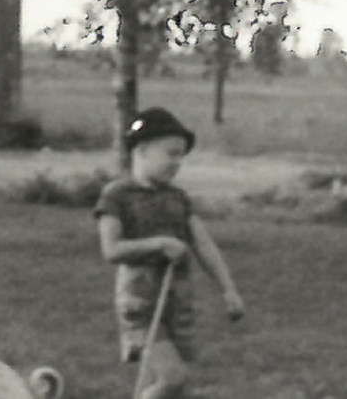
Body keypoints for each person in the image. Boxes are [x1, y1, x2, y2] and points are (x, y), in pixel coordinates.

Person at [94, 107, 244, 399]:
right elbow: (111, 250)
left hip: (178, 304)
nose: (177, 162)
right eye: (171, 153)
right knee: (173, 377)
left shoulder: (177, 198)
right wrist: (158, 244)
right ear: (143, 150)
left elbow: (204, 245)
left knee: (171, 389)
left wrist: (228, 290)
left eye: (181, 156)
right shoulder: (117, 196)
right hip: (141, 306)